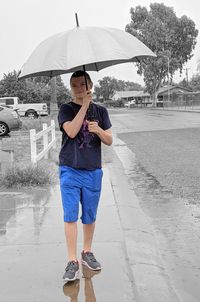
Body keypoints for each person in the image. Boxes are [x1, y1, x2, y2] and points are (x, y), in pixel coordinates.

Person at [58, 70, 112, 283]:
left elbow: (109, 140)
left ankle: (87, 252)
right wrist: (83, 107)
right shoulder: (65, 109)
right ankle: (72, 261)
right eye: (74, 85)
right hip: (70, 169)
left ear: (90, 84)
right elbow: (71, 131)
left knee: (89, 215)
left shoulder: (101, 111)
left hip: (92, 171)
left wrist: (98, 130)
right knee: (70, 215)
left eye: (82, 84)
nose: (79, 89)